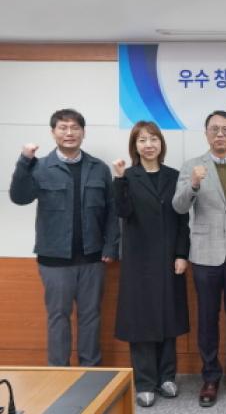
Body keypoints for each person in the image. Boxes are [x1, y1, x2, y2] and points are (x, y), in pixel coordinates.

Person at [9, 108, 119, 367]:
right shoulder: (39, 167)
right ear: (53, 133)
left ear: (83, 132)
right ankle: (58, 373)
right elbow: (19, 197)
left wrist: (110, 246)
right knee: (58, 317)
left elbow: (112, 211)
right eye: (63, 128)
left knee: (90, 317)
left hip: (92, 259)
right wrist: (24, 160)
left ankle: (90, 372)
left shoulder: (99, 169)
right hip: (54, 260)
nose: (69, 133)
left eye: (75, 128)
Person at [172, 110, 226, 408]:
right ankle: (210, 376)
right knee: (207, 320)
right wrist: (194, 184)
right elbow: (179, 207)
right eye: (214, 129)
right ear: (206, 133)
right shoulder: (191, 166)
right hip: (205, 254)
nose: (220, 134)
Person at [112, 121, 190, 408]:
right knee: (141, 320)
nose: (148, 145)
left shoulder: (174, 175)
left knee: (168, 317)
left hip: (169, 259)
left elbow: (183, 219)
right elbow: (122, 212)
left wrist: (182, 254)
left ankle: (167, 376)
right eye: (142, 140)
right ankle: (145, 382)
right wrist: (119, 180)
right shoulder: (128, 176)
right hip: (139, 261)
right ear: (135, 146)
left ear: (161, 143)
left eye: (153, 139)